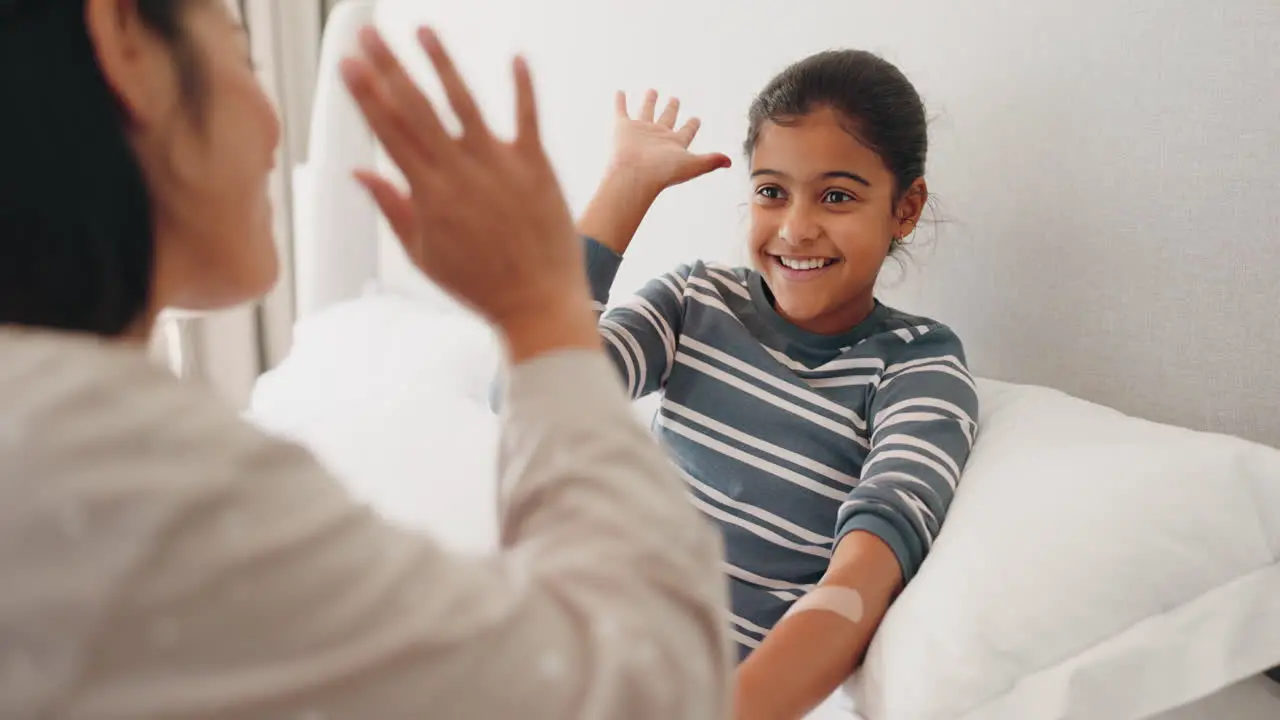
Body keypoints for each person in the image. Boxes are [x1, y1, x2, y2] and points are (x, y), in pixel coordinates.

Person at [0, 1, 731, 718]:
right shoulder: (129, 472)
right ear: (126, 37)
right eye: (245, 58)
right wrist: (541, 305)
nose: (273, 126)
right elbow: (648, 685)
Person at [567, 51, 982, 717]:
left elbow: (857, 585)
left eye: (838, 196)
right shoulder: (693, 299)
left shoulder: (915, 368)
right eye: (770, 191)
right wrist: (624, 187)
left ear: (905, 209)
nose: (795, 228)